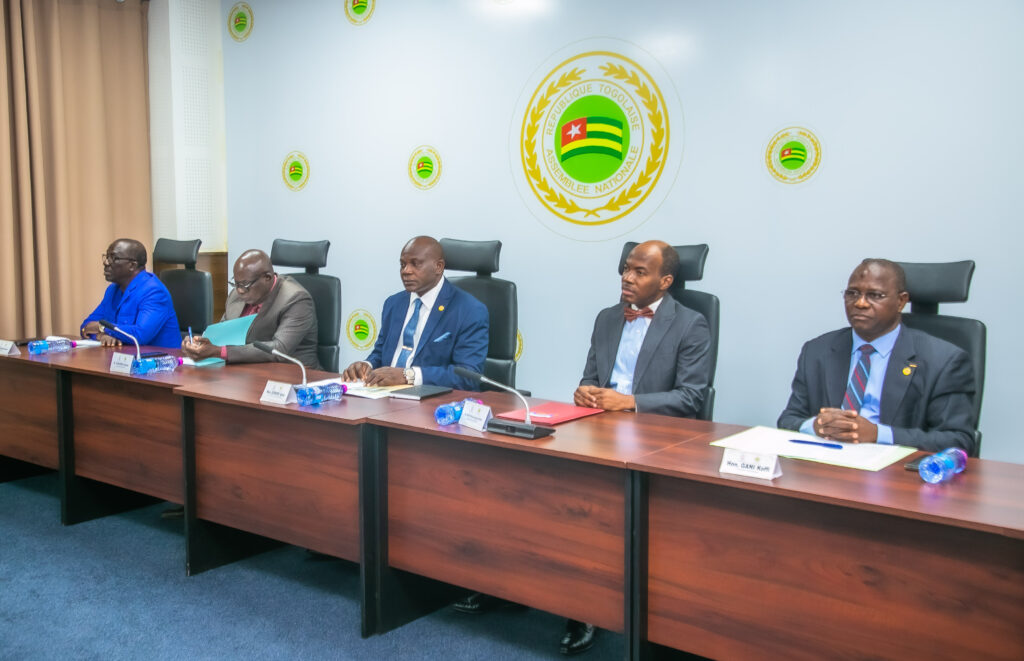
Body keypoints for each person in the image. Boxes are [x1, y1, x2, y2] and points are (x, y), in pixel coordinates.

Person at [778, 258, 976, 454]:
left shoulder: (944, 360)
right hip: (827, 468)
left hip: (896, 475)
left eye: (875, 295)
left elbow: (957, 440)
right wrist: (816, 425)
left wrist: (877, 434)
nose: (860, 303)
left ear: (901, 301)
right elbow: (788, 420)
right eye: (852, 293)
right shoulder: (817, 351)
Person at [342, 236, 488, 390]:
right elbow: (381, 352)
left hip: (432, 404)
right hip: (383, 397)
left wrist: (409, 376)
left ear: (439, 267)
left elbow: (468, 375)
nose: (406, 271)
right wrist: (366, 365)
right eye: (403, 264)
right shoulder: (393, 303)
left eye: (415, 264)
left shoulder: (469, 310)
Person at [182, 249, 320, 369]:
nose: (239, 290)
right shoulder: (236, 295)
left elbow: (279, 349)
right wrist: (200, 345)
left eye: (245, 284)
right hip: (246, 373)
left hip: (294, 376)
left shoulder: (295, 299)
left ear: (267, 278)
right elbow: (223, 332)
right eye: (235, 284)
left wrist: (219, 351)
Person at [81, 239, 181, 349]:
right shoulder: (112, 290)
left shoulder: (154, 292)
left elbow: (140, 335)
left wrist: (103, 328)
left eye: (113, 258)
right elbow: (87, 325)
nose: (106, 263)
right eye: (107, 257)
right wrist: (102, 336)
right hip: (123, 358)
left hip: (159, 362)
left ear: (132, 265)